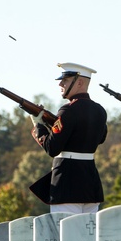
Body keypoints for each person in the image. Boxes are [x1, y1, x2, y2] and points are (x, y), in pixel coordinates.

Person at [29, 62, 109, 214]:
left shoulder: (68, 110)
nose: (60, 83)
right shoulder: (100, 110)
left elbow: (52, 148)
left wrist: (38, 126)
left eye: (65, 80)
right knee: (88, 235)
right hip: (90, 183)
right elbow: (101, 138)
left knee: (65, 234)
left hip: (67, 182)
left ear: (79, 82)